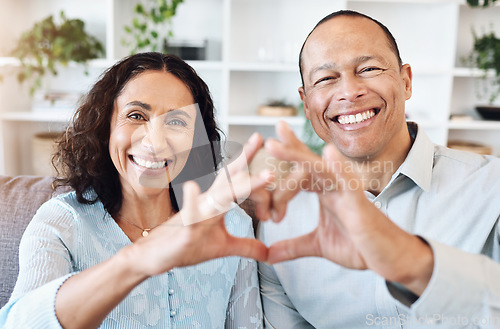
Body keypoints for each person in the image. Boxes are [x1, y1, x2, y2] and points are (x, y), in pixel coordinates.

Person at [255, 10, 500, 328]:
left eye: (369, 69)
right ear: (306, 102)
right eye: (326, 79)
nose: (349, 92)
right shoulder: (279, 225)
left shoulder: (492, 188)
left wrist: (413, 262)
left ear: (406, 80)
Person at [0, 52, 271, 329]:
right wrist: (136, 261)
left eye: (176, 121)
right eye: (136, 115)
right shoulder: (60, 223)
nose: (154, 141)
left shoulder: (231, 224)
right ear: (105, 126)